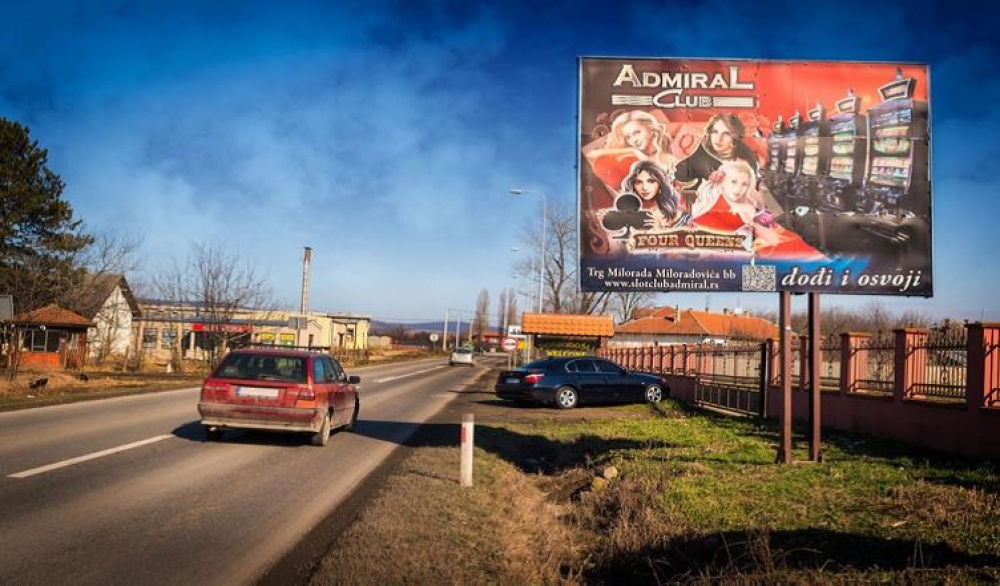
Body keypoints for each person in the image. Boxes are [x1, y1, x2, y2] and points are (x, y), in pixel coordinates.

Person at [691, 161, 823, 260]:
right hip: (745, 266)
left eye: (744, 184)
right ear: (722, 182)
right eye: (733, 182)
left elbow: (778, 232)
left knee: (795, 243)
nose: (738, 189)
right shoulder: (712, 214)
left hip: (770, 259)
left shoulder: (751, 206)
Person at [675, 113, 760, 192]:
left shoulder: (746, 161)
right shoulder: (701, 150)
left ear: (735, 137)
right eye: (715, 132)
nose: (718, 139)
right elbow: (679, 174)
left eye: (726, 134)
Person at [619, 160, 690, 229]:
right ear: (632, 185)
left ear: (660, 183)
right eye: (638, 182)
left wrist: (657, 230)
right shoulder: (628, 212)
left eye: (651, 181)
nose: (645, 188)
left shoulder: (678, 215)